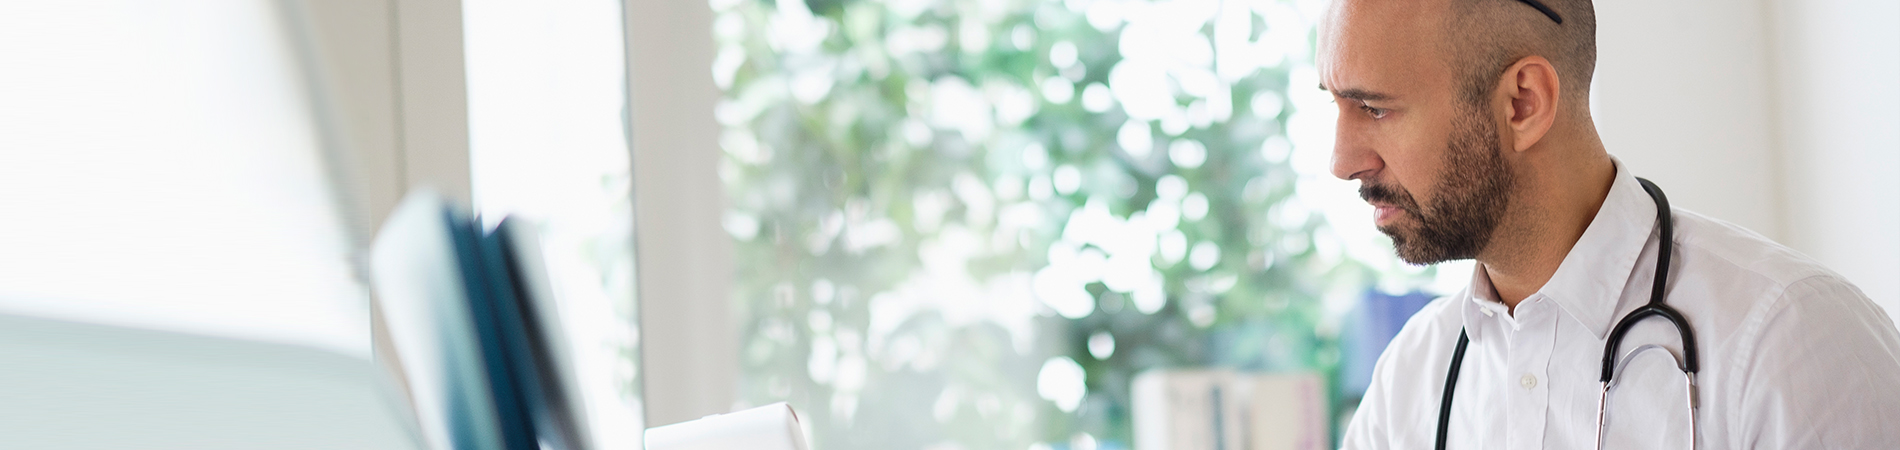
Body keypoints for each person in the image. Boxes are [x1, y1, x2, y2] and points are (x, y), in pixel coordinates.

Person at [1319, 0, 1900, 448]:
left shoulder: (1790, 341)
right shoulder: (1412, 378)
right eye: (1336, 105)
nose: (1342, 162)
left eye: (1375, 108)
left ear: (1523, 102)